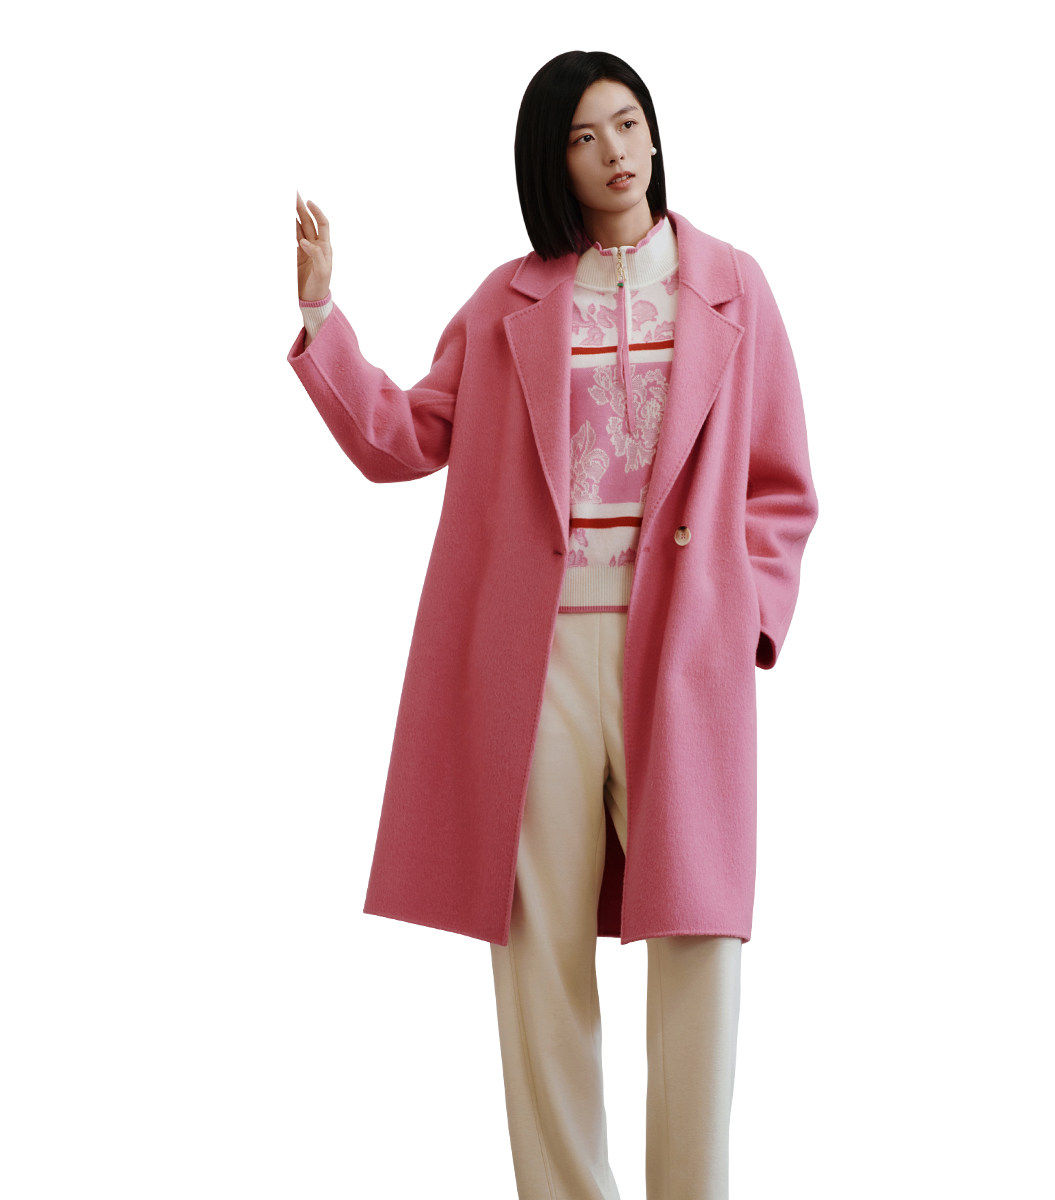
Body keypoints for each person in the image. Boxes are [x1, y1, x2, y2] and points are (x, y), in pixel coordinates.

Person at [289, 49, 818, 1200]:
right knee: (538, 947)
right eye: (585, 137)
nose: (616, 151)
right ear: (554, 163)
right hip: (539, 662)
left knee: (700, 941)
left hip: (684, 656)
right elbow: (403, 438)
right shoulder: (510, 302)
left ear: (655, 134)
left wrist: (748, 622)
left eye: (627, 123)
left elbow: (780, 485)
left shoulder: (734, 287)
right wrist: (323, 317)